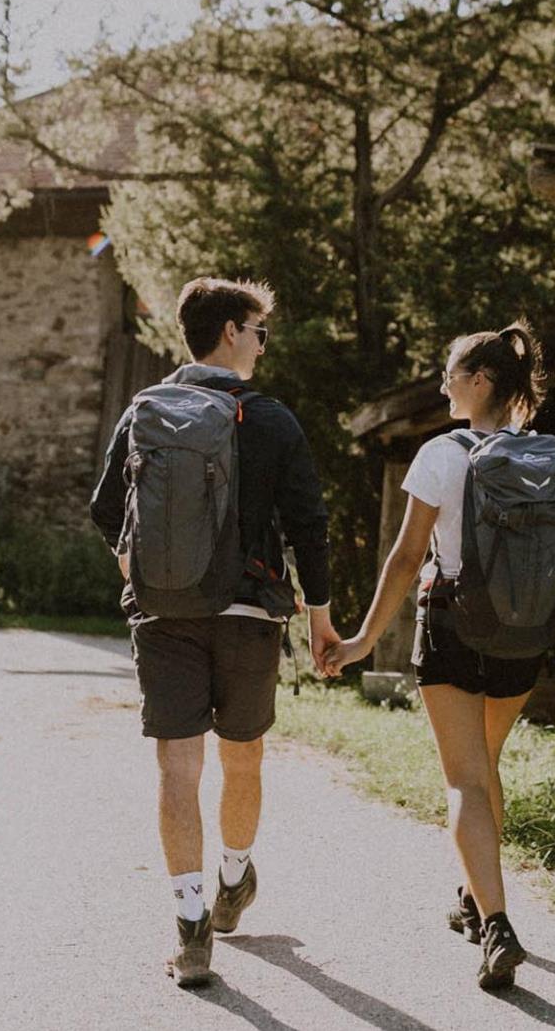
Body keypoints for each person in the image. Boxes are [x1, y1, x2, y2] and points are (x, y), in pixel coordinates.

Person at [325, 322, 555, 990]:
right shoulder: (546, 457)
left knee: (463, 782)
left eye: (450, 373)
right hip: (522, 639)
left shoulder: (442, 454)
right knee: (486, 768)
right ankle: (473, 897)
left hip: (453, 629)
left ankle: (498, 926)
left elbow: (403, 557)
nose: (443, 384)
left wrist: (363, 640)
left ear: (479, 381)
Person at [89, 277, 339, 989]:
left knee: (177, 769)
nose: (262, 343)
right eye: (259, 330)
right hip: (248, 615)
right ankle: (233, 878)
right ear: (230, 331)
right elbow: (308, 526)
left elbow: (105, 509)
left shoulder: (145, 409)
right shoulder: (269, 419)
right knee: (244, 759)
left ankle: (190, 927)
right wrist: (320, 619)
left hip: (164, 615)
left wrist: (141, 567)